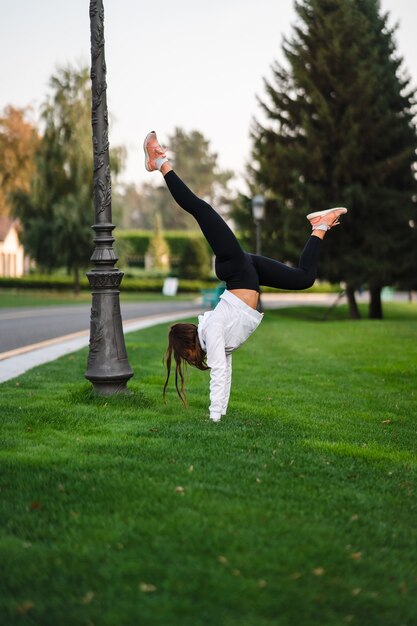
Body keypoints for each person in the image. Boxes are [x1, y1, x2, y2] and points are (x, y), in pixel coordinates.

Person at [143, 131, 348, 422]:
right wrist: (220, 414)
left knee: (201, 210)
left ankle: (160, 160)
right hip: (246, 274)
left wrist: (213, 418)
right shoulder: (216, 339)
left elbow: (218, 375)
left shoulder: (211, 333)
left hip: (237, 271)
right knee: (304, 278)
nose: (188, 361)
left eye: (184, 356)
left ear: (190, 346)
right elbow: (224, 374)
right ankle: (320, 225)